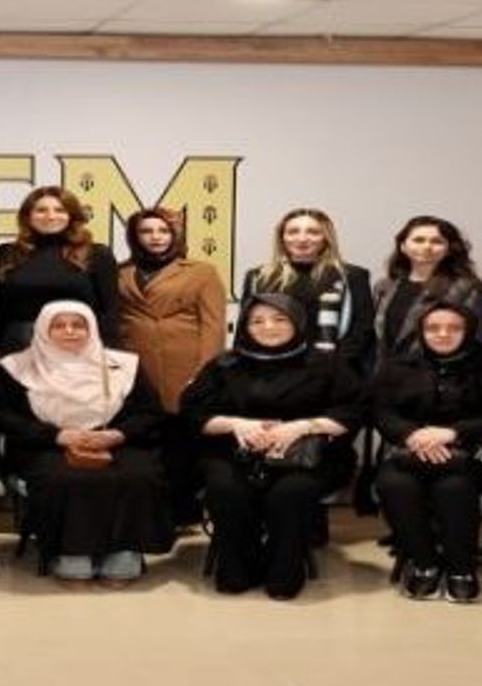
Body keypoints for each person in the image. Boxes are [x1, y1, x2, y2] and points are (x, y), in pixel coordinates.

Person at [180, 294, 364, 599]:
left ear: (298, 323)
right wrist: (236, 424)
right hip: (234, 452)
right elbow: (192, 413)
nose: (269, 327)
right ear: (244, 326)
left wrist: (301, 427)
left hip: (307, 455)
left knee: (290, 492)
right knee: (226, 488)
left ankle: (284, 571)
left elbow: (353, 412)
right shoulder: (224, 365)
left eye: (280, 319)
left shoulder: (326, 365)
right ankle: (240, 568)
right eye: (257, 321)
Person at [0, 300, 172, 584]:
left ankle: (125, 549)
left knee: (141, 474)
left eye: (78, 325)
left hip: (114, 440)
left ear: (92, 329)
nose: (70, 331)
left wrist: (117, 434)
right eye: (59, 326)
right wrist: (57, 436)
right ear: (43, 330)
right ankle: (71, 552)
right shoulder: (16, 368)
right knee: (62, 478)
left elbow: (150, 413)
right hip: (44, 444)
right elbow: (4, 417)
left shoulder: (124, 365)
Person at [118, 208, 226, 525]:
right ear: (134, 237)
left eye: (163, 231)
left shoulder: (202, 272)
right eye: (146, 231)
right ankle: (149, 512)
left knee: (183, 442)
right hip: (137, 365)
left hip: (184, 365)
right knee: (145, 441)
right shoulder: (120, 272)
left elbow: (214, 327)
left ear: (175, 235)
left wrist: (205, 373)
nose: (155, 237)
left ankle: (182, 511)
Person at [373, 302, 482, 602]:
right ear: (421, 331)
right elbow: (381, 411)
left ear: (469, 330)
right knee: (394, 484)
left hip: (467, 453)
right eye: (433, 328)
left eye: (454, 328)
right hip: (409, 451)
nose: (443, 334)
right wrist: (412, 435)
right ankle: (424, 564)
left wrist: (453, 433)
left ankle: (461, 569)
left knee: (453, 488)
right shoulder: (398, 365)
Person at [240, 208, 374, 371]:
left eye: (313, 232)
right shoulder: (258, 277)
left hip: (334, 371)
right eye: (293, 232)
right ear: (282, 238)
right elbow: (246, 330)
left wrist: (330, 366)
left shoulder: (352, 276)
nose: (302, 239)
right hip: (272, 371)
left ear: (326, 238)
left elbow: (361, 331)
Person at [0, 186, 120, 354]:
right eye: (41, 210)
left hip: (77, 347)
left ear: (72, 216)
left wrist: (106, 352)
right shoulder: (5, 253)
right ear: (27, 216)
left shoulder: (97, 253)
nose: (50, 216)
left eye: (60, 210)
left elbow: (110, 311)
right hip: (19, 348)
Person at [373, 215, 482, 366]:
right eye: (419, 240)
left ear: (449, 249)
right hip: (386, 375)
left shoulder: (466, 288)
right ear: (403, 246)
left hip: (437, 374)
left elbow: (474, 340)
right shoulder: (384, 286)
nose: (427, 247)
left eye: (437, 241)